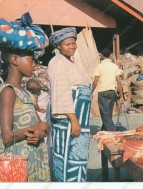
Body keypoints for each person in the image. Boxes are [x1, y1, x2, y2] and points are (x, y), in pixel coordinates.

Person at [0, 12, 50, 181]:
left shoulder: (24, 92)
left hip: (33, 157)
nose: (35, 65)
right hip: (18, 162)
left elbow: (42, 125)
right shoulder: (8, 91)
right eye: (31, 60)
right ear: (15, 60)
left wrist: (41, 132)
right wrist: (37, 129)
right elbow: (7, 136)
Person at [48, 27, 92, 182]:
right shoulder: (57, 62)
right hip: (69, 120)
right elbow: (62, 93)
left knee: (78, 158)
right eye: (68, 44)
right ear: (59, 46)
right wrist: (73, 120)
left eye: (74, 43)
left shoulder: (71, 61)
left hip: (79, 119)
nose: (72, 46)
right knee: (69, 157)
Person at [92, 48, 124, 131]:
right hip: (112, 92)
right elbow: (119, 82)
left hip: (102, 92)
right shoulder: (114, 67)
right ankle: (104, 128)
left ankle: (111, 130)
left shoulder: (99, 66)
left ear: (102, 55)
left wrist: (91, 92)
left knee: (104, 112)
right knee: (108, 112)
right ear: (110, 55)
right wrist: (121, 96)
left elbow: (95, 82)